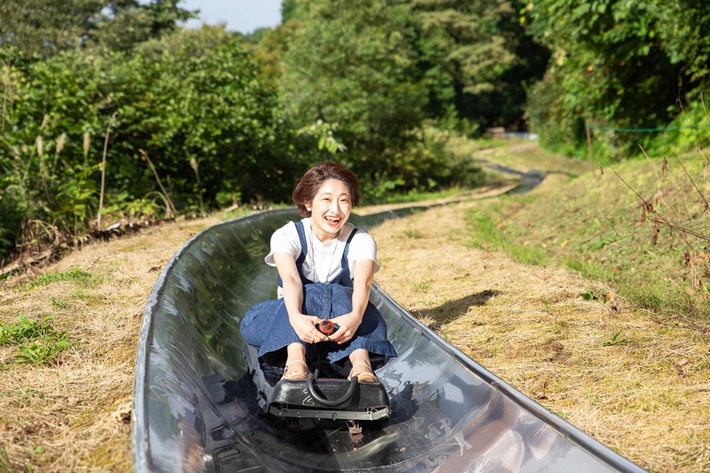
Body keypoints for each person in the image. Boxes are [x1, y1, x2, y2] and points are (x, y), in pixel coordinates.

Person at [240, 161, 397, 383]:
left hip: (339, 331)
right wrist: (296, 318)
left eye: (344, 201)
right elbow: (291, 280)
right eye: (327, 199)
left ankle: (361, 365)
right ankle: (295, 362)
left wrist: (354, 318)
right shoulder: (287, 235)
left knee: (344, 296)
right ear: (308, 202)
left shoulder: (361, 241)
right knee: (307, 294)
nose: (336, 210)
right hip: (291, 324)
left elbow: (363, 284)